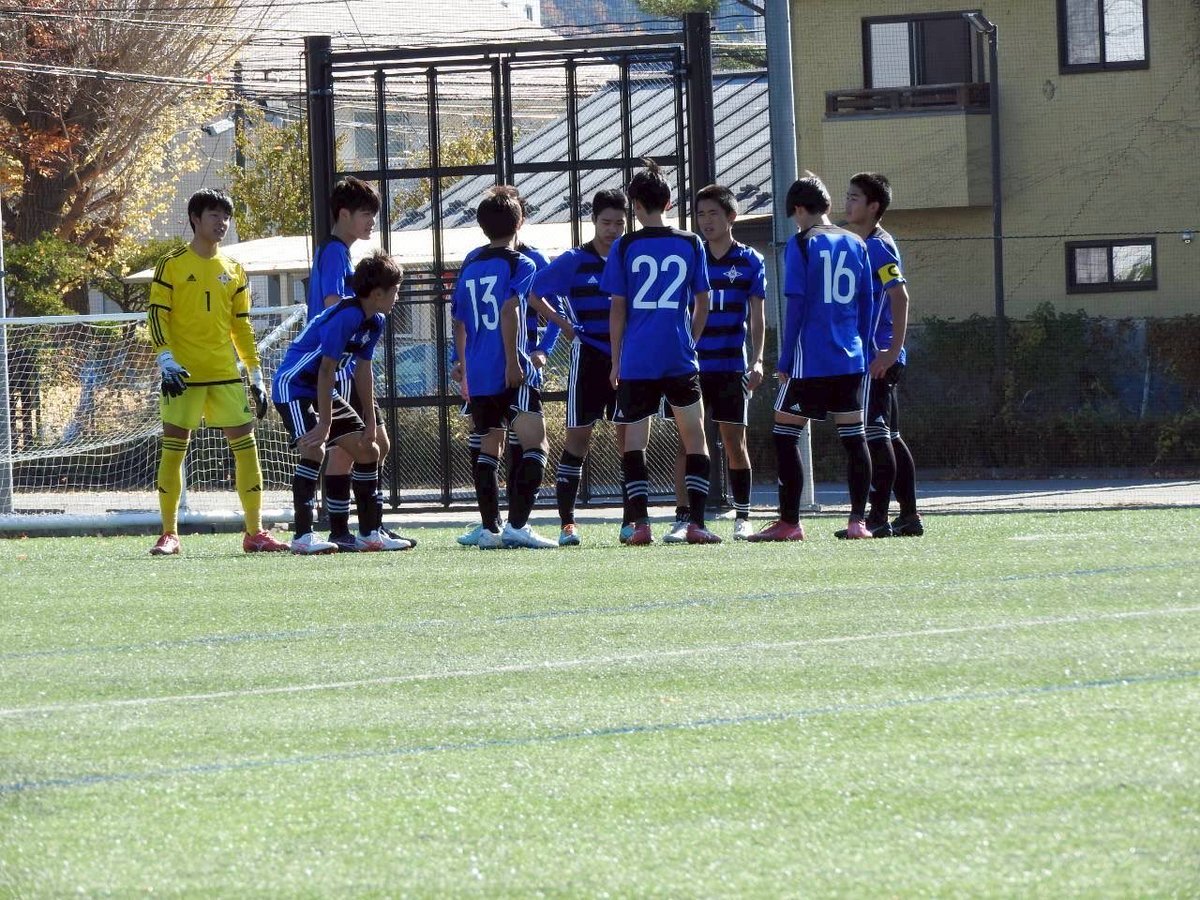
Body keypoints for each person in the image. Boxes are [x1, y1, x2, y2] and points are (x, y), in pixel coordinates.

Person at [148, 188, 289, 556]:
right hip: (182, 376)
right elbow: (157, 315)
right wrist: (165, 359)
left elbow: (241, 326)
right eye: (214, 215)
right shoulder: (171, 264)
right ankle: (169, 534)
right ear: (195, 219)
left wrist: (255, 374)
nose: (222, 222)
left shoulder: (234, 269)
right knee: (173, 451)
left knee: (247, 449)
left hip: (225, 374)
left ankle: (255, 533)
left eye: (226, 216)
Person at [747, 174, 874, 542]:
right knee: (854, 439)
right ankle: (858, 522)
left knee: (784, 434)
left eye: (795, 215)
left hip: (811, 358)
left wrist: (785, 359)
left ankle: (790, 522)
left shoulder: (802, 244)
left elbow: (797, 306)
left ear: (799, 210)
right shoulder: (856, 242)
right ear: (828, 206)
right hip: (850, 358)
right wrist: (862, 347)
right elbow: (866, 302)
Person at [603, 160, 720, 545]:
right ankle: (696, 524)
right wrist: (691, 340)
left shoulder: (624, 246)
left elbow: (618, 308)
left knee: (634, 442)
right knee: (695, 438)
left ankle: (640, 525)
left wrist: (616, 360)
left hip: (637, 359)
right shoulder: (691, 242)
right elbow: (703, 301)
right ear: (669, 202)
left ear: (635, 206)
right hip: (678, 355)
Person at [272, 250, 411, 553]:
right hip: (294, 387)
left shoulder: (375, 320)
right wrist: (324, 423)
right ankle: (302, 537)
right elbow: (325, 370)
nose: (397, 297)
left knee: (368, 449)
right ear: (377, 293)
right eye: (395, 290)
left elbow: (362, 371)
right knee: (315, 449)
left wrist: (370, 422)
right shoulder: (347, 316)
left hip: (322, 389)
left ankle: (370, 534)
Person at [307, 177, 416, 550]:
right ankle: (363, 529)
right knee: (371, 443)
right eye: (366, 214)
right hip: (336, 365)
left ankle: (353, 530)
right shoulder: (335, 253)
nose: (372, 222)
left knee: (353, 448)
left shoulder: (340, 252)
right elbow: (333, 303)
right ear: (344, 214)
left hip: (344, 364)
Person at [452, 186, 556, 549]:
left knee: (488, 447)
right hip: (510, 368)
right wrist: (513, 360)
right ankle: (517, 525)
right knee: (537, 445)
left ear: (482, 226)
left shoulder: (470, 264)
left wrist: (462, 366)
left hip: (478, 372)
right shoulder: (522, 263)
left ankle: (490, 530)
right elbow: (510, 310)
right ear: (520, 222)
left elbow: (458, 321)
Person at [662, 184, 766, 543]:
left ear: (731, 216)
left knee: (734, 442)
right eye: (701, 214)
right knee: (687, 442)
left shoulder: (751, 260)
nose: (706, 221)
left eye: (713, 214)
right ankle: (684, 518)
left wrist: (757, 360)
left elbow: (757, 317)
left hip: (731, 366)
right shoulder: (692, 255)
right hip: (690, 367)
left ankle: (743, 516)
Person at [526, 188, 630, 546]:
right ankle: (567, 524)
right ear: (594, 221)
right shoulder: (574, 259)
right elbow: (533, 292)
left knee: (628, 442)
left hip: (626, 360)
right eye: (606, 222)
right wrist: (563, 324)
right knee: (578, 440)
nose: (612, 229)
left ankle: (631, 521)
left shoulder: (630, 256)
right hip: (588, 357)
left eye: (619, 223)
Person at [841, 172, 923, 537]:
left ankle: (876, 518)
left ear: (874, 206)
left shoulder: (878, 245)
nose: (848, 203)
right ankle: (909, 516)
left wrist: (890, 351)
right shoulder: (860, 242)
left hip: (878, 356)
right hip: (873, 355)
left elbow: (899, 295)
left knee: (875, 436)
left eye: (854, 198)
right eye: (847, 196)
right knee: (890, 435)